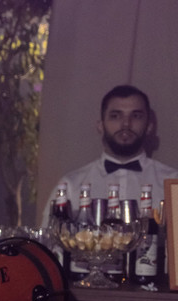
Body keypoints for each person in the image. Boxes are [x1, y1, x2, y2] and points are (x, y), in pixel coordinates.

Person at [40, 84, 178, 224]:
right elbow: (48, 236)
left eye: (136, 116)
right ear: (100, 125)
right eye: (115, 116)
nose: (126, 124)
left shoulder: (173, 183)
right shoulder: (70, 186)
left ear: (149, 126)